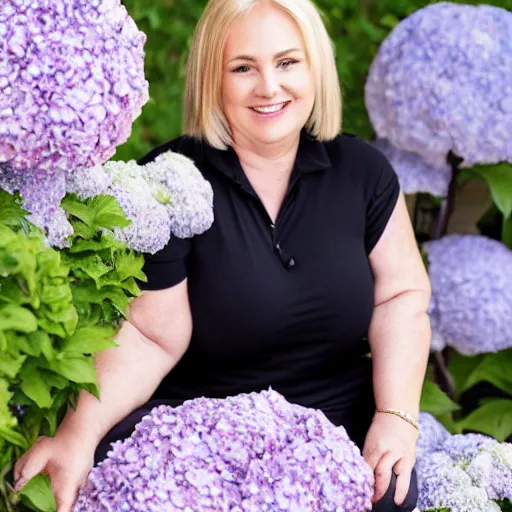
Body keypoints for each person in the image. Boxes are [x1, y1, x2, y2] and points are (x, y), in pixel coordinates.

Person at [13, 0, 431, 510]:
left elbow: (401, 296)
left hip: (340, 421)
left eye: (287, 62)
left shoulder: (362, 172)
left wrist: (395, 416)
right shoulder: (171, 181)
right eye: (243, 68)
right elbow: (150, 336)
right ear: (213, 79)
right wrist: (76, 434)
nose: (269, 87)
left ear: (315, 67)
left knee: (393, 495)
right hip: (201, 432)